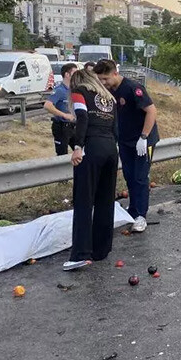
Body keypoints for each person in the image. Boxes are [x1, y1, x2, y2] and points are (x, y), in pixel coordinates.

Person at [64, 68, 119, 271]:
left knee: (84, 201)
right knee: (105, 200)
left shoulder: (80, 92)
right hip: (110, 148)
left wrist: (78, 147)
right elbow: (116, 127)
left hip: (92, 147)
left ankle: (80, 253)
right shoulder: (109, 98)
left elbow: (82, 117)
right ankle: (101, 250)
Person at [95, 59, 159, 232]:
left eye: (106, 78)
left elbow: (151, 111)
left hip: (143, 141)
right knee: (129, 176)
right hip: (125, 140)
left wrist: (144, 137)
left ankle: (141, 215)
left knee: (140, 177)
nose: (103, 82)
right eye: (100, 79)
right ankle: (133, 209)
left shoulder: (133, 88)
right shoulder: (109, 91)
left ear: (115, 73)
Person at [44, 63, 78, 155]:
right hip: (62, 126)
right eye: (75, 73)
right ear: (67, 74)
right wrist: (64, 115)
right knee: (62, 153)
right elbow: (47, 105)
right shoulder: (59, 90)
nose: (77, 76)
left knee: (81, 152)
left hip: (74, 126)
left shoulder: (75, 89)